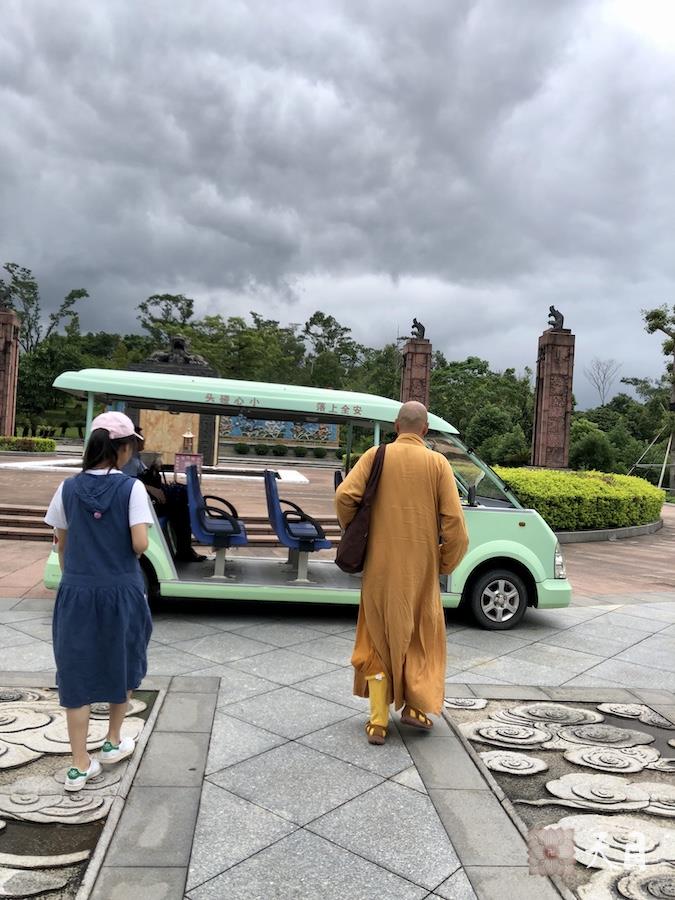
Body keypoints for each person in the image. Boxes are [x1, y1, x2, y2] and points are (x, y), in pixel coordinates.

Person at [335, 401, 469, 745]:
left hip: (380, 565)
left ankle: (378, 721)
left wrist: (359, 532)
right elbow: (455, 525)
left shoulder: (374, 456)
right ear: (424, 430)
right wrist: (444, 562)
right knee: (420, 635)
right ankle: (415, 708)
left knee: (377, 633)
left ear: (397, 426)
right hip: (421, 568)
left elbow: (344, 497)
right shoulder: (437, 463)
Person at [45, 412, 154, 790]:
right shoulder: (132, 489)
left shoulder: (68, 487)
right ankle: (111, 741)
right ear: (123, 449)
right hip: (120, 588)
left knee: (75, 670)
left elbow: (62, 540)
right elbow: (140, 544)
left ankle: (78, 764)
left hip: (76, 590)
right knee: (122, 660)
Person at [123, 426, 205, 563]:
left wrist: (154, 469)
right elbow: (129, 481)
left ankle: (184, 547)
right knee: (180, 505)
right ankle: (184, 549)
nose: (144, 441)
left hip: (152, 497)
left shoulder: (136, 457)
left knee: (182, 495)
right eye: (141, 438)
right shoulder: (129, 460)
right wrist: (153, 489)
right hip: (148, 500)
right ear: (134, 441)